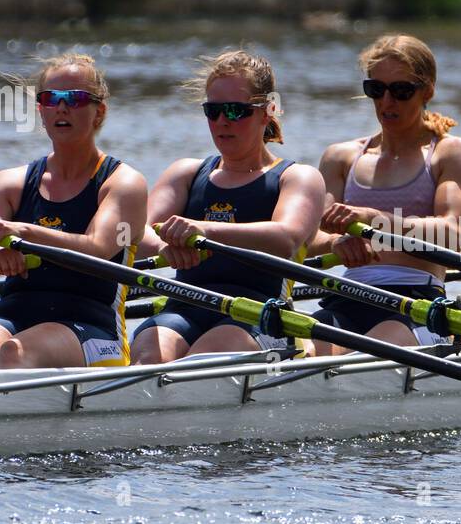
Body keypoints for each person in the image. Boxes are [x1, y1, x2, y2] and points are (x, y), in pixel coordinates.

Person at [0, 53, 148, 391]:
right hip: (14, 315)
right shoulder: (8, 184)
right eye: (51, 99)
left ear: (99, 112)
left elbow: (96, 249)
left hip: (91, 327)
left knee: (14, 354)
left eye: (75, 100)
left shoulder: (123, 183)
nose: (62, 108)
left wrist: (22, 234)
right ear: (41, 110)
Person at [131, 49, 324, 362]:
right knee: (148, 356)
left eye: (236, 111)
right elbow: (138, 232)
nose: (222, 121)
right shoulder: (186, 173)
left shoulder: (297, 177)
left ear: (268, 110)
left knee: (204, 361)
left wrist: (204, 231)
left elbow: (286, 237)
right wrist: (164, 247)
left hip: (261, 314)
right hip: (183, 308)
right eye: (213, 111)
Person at [308, 34, 461, 354]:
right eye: (376, 90)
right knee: (311, 347)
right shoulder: (340, 157)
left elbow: (458, 234)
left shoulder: (450, 153)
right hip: (349, 296)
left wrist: (376, 222)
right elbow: (307, 238)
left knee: (376, 345)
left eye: (401, 91)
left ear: (427, 91)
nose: (387, 102)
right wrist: (335, 242)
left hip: (416, 298)